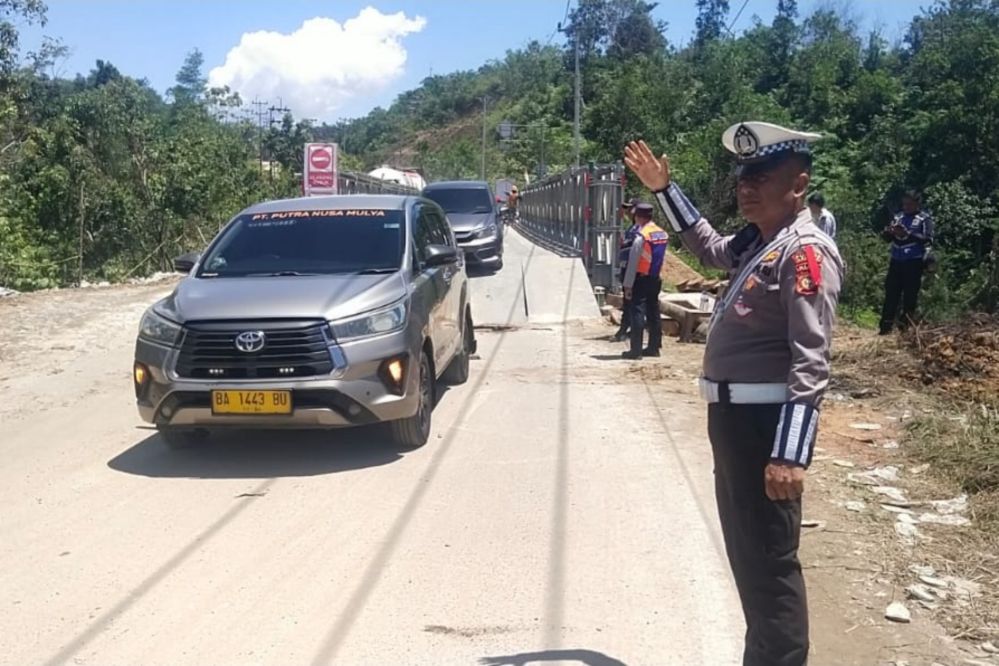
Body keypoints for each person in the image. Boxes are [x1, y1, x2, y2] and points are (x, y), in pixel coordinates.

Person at [625, 121, 844, 666]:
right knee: (749, 562)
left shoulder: (803, 253)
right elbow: (709, 246)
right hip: (736, 424)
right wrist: (663, 189)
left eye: (761, 177)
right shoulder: (762, 241)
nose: (746, 187)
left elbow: (811, 362)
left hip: (764, 427)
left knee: (770, 565)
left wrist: (790, 455)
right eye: (743, 177)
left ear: (797, 184)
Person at [879, 190, 934, 335]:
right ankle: (885, 328)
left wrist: (908, 234)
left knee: (910, 297)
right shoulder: (898, 217)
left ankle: (905, 330)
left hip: (913, 262)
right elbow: (888, 239)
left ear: (917, 203)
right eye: (904, 204)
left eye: (909, 204)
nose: (906, 207)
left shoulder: (924, 219)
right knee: (891, 294)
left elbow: (927, 239)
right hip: (896, 261)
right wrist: (888, 233)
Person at [620, 202, 669, 359]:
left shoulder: (642, 236)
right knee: (654, 312)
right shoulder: (661, 233)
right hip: (655, 278)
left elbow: (633, 261)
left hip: (640, 278)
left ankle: (635, 350)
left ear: (638, 217)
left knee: (637, 312)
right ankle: (654, 347)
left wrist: (628, 285)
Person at [613, 198, 641, 342]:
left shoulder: (639, 230)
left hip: (635, 271)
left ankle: (625, 331)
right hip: (627, 269)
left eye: (630, 208)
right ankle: (627, 330)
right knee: (628, 302)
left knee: (631, 302)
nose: (627, 212)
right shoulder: (632, 227)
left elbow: (634, 251)